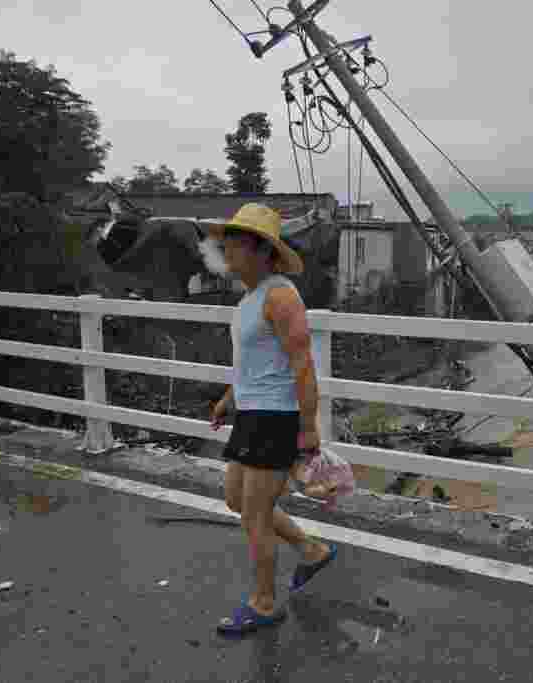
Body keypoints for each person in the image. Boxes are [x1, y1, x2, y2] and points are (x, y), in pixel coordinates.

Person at [207, 203, 336, 635]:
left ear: (263, 251)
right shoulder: (248, 300)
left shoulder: (280, 295)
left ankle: (264, 603)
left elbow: (302, 363)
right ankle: (311, 549)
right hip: (251, 414)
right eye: (226, 242)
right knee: (236, 500)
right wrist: (229, 397)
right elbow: (251, 361)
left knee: (255, 516)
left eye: (236, 243)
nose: (226, 250)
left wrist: (308, 427)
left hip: (276, 417)